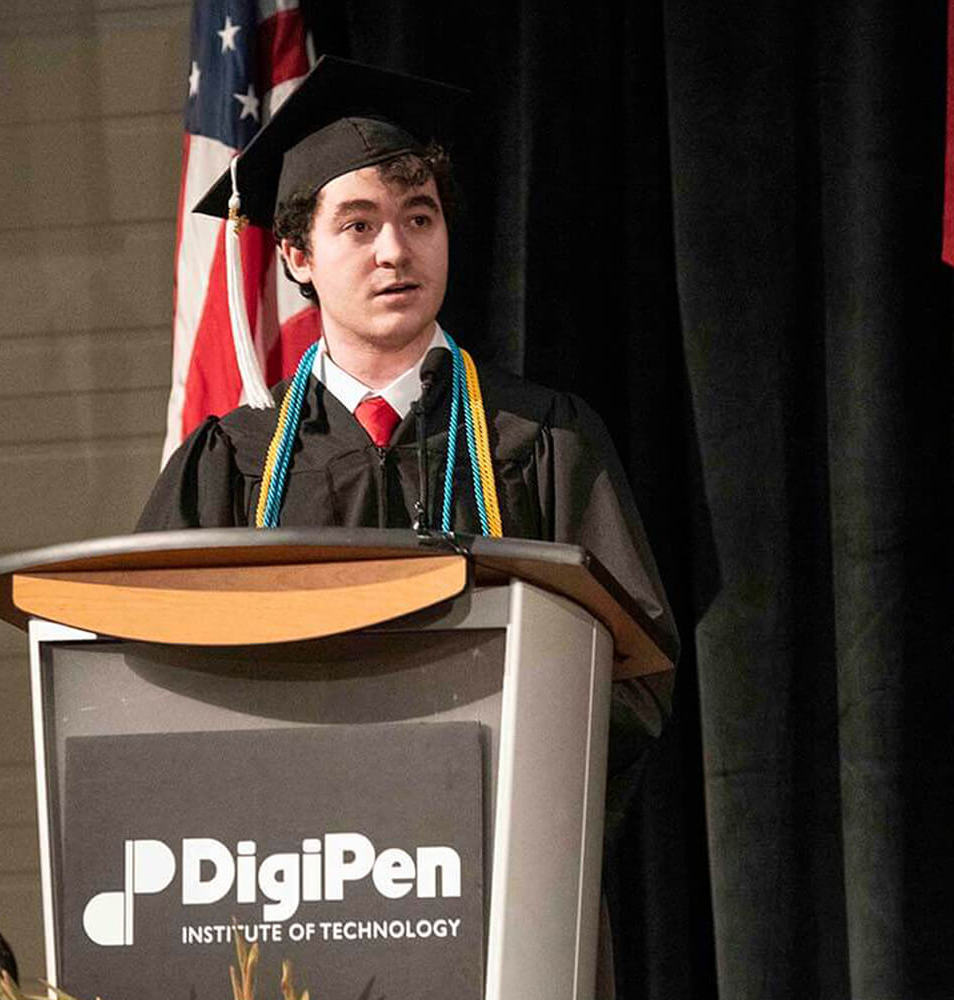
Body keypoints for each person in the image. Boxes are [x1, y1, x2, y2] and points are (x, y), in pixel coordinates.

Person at [137, 56, 676, 996]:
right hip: (281, 889)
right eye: (360, 225)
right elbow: (151, 677)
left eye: (418, 217)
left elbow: (630, 673)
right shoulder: (233, 463)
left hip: (496, 880)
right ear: (298, 257)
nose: (396, 250)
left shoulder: (541, 437)